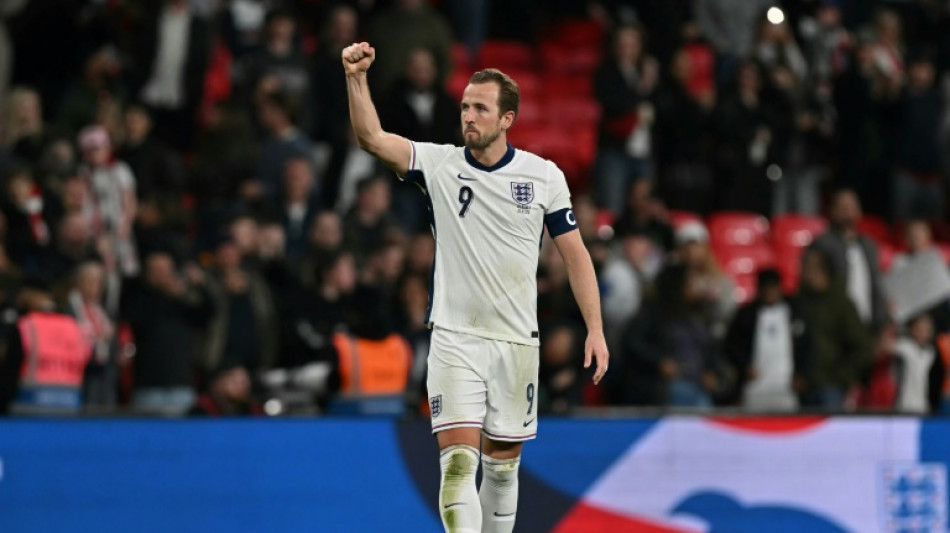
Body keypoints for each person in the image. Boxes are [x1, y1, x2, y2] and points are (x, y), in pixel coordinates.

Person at [342, 42, 609, 533]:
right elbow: (372, 138)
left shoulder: (543, 176)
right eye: (465, 106)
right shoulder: (439, 164)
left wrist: (595, 328)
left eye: (481, 108)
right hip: (454, 337)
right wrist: (356, 79)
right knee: (459, 464)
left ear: (507, 119)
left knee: (502, 471)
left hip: (516, 341)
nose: (468, 115)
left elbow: (576, 255)